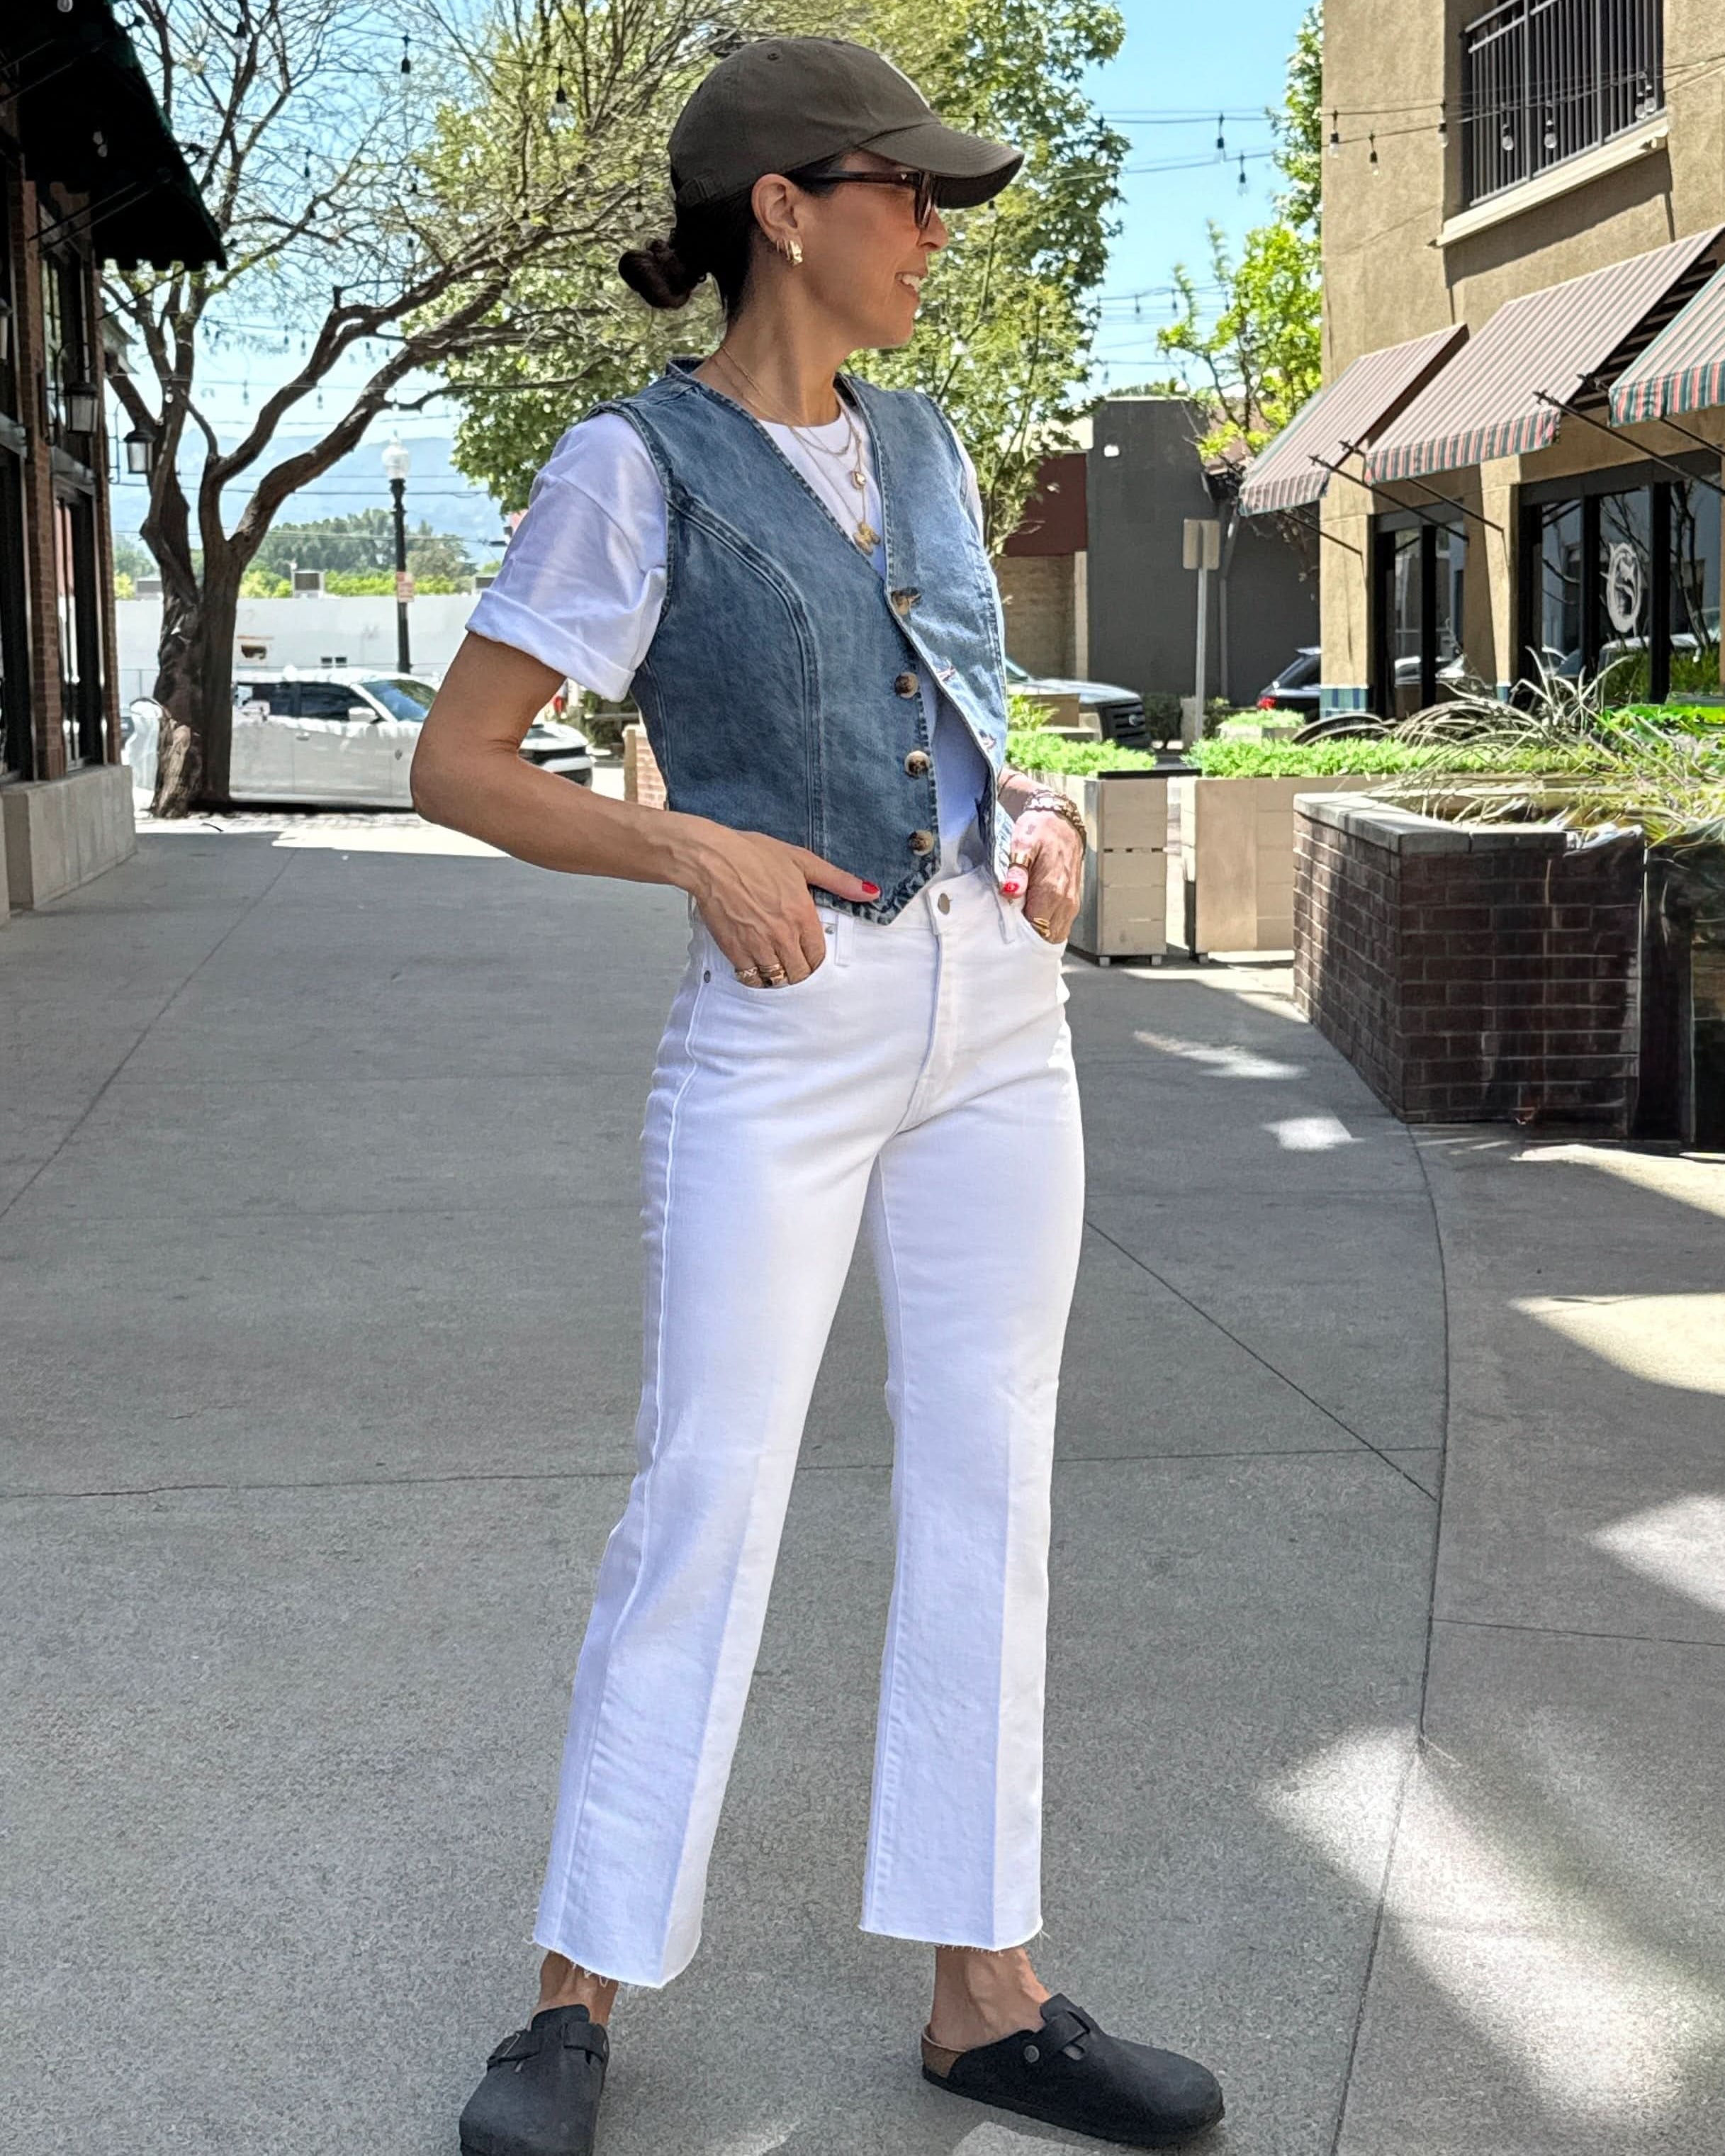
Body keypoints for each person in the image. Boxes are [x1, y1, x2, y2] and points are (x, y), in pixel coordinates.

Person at [412, 35, 1224, 2156]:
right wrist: (690, 844)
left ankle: (986, 1990)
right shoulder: (634, 463)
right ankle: (572, 1998)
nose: (936, 231)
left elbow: (964, 701)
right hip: (786, 1026)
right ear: (786, 204)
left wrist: (1034, 815)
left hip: (993, 1019)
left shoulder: (933, 444)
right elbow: (463, 761)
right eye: (908, 192)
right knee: (710, 1491)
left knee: (992, 1483)